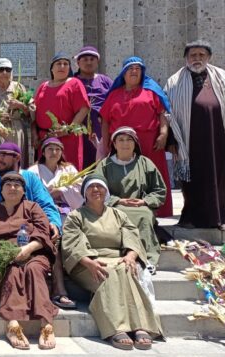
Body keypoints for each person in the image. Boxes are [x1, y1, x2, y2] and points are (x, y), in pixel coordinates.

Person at [61, 174, 162, 350]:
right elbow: (71, 243)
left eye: (99, 186)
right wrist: (89, 262)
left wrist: (130, 256)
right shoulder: (76, 216)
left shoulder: (118, 214)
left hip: (118, 259)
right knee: (111, 271)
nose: (95, 190)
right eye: (91, 187)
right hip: (87, 263)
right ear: (84, 192)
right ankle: (117, 328)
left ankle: (141, 326)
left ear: (106, 191)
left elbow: (132, 236)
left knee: (125, 269)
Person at [164, 40, 225, 231]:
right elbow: (167, 113)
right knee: (191, 180)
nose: (197, 58)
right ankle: (192, 218)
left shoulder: (223, 78)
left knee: (220, 178)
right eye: (193, 55)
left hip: (217, 137)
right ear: (186, 58)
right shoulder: (174, 82)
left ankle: (222, 218)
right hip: (188, 140)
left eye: (201, 55)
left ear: (209, 57)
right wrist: (171, 139)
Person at [0, 172, 58, 350]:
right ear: (1, 190)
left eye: (17, 185)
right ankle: (12, 325)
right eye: (8, 185)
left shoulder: (33, 207)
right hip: (2, 257)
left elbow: (43, 232)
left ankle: (46, 325)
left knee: (34, 270)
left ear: (23, 191)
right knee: (11, 272)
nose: (12, 188)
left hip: (34, 253)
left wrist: (27, 249)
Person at [100, 56, 173, 218]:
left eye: (138, 69)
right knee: (125, 175)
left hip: (149, 140)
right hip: (121, 143)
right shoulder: (114, 95)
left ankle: (159, 210)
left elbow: (162, 114)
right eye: (130, 69)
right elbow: (105, 120)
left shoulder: (151, 92)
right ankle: (126, 207)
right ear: (123, 74)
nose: (134, 71)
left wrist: (163, 134)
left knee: (153, 174)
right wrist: (106, 143)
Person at [94, 127, 166, 267]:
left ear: (135, 143)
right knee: (117, 217)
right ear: (114, 144)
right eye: (120, 140)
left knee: (144, 216)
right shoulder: (104, 165)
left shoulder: (145, 163)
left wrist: (144, 201)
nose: (125, 143)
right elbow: (96, 191)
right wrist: (118, 200)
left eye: (129, 140)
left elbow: (159, 190)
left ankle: (147, 259)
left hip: (141, 207)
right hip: (114, 207)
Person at [26, 137, 81, 309]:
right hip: (42, 213)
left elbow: (78, 192)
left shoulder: (69, 169)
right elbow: (30, 194)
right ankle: (58, 286)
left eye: (57, 149)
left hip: (66, 211)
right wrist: (47, 196)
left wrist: (61, 191)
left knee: (71, 231)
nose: (54, 152)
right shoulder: (33, 170)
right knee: (52, 233)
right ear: (43, 151)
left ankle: (70, 269)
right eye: (50, 149)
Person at [33, 53, 90, 170]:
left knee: (67, 173)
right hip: (45, 138)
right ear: (52, 68)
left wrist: (68, 129)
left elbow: (84, 108)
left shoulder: (74, 83)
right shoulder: (43, 87)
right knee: (44, 172)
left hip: (67, 138)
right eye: (58, 64)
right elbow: (34, 112)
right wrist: (34, 134)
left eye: (66, 64)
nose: (62, 66)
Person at [0, 58, 33, 166]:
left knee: (15, 162)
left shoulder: (19, 88)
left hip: (15, 131)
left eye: (7, 70)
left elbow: (30, 113)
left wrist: (20, 105)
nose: (4, 72)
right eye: (1, 69)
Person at [74, 46, 113, 167]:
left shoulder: (105, 81)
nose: (89, 62)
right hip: (78, 130)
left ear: (97, 62)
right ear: (78, 62)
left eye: (92, 59)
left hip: (101, 130)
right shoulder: (72, 81)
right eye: (85, 59)